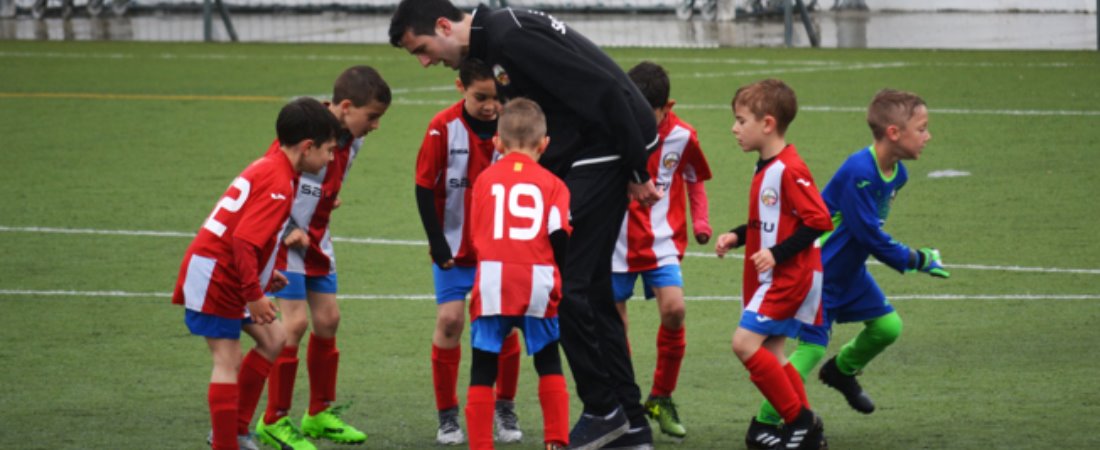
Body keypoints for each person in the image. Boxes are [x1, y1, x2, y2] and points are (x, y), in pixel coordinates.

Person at [389, 2, 663, 448]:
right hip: (600, 147)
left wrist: (636, 169)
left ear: (443, 26)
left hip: (610, 147)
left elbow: (606, 90)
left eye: (421, 48)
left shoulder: (507, 37)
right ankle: (630, 423)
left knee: (566, 287)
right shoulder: (497, 34)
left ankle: (602, 409)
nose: (424, 61)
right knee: (591, 290)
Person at [745, 89, 949, 449]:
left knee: (888, 326)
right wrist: (916, 259)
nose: (928, 136)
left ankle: (841, 371)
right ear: (894, 133)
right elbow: (868, 234)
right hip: (819, 276)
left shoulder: (897, 175)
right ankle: (765, 421)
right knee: (806, 352)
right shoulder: (860, 171)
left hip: (850, 274)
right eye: (923, 128)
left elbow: (866, 236)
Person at [171, 97, 341, 450]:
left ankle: (236, 429)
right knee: (227, 359)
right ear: (307, 147)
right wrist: (255, 294)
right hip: (218, 275)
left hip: (230, 272)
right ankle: (225, 442)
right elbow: (243, 242)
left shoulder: (277, 168)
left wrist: (268, 276)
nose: (330, 159)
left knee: (274, 339)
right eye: (327, 150)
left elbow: (260, 234)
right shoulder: (280, 182)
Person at [255, 66, 391, 450]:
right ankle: (273, 420)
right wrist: (285, 229)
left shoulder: (353, 139)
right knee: (293, 325)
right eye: (372, 117)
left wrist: (326, 201)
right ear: (346, 107)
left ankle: (318, 415)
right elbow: (270, 178)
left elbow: (326, 180)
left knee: (329, 320)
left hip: (317, 237)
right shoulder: (305, 128)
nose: (376, 126)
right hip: (286, 239)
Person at [713, 79, 832, 450]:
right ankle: (807, 431)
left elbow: (818, 220)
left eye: (740, 120)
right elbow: (771, 220)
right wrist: (737, 235)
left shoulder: (789, 168)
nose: (734, 128)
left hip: (786, 276)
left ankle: (801, 421)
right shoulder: (766, 166)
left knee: (744, 344)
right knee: (773, 353)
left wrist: (777, 254)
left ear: (767, 124)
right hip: (771, 274)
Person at [413, 58, 524, 446]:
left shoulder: (512, 129)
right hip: (453, 248)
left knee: (504, 325)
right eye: (481, 98)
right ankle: (447, 416)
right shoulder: (441, 128)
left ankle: (504, 407)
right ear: (461, 89)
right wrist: (437, 240)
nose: (491, 106)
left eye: (496, 97)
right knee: (449, 322)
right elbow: (424, 187)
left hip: (499, 249)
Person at [612, 61, 712, 440]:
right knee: (614, 326)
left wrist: (700, 220)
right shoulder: (613, 130)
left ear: (666, 107)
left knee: (674, 310)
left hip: (661, 241)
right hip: (616, 242)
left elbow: (695, 178)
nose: (638, 118)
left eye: (647, 112)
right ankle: (623, 403)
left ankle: (661, 396)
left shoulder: (684, 136)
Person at [465, 97, 572, 450]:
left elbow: (476, 235)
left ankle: (481, 445)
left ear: (496, 142)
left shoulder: (483, 181)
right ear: (545, 144)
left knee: (483, 366)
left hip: (494, 279)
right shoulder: (554, 184)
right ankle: (556, 441)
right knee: (548, 361)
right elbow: (559, 234)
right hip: (537, 279)